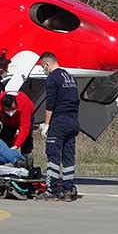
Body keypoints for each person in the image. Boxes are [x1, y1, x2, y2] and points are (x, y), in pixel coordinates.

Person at [37, 52, 80, 202]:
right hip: (73, 120)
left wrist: (47, 124)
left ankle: (52, 190)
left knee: (53, 155)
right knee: (68, 157)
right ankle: (68, 189)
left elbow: (50, 103)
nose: (44, 69)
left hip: (59, 121)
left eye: (43, 66)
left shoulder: (52, 78)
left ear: (48, 64)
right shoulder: (70, 77)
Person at [0, 91, 35, 156]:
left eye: (13, 109)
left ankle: (27, 159)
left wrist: (16, 146)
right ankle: (2, 158)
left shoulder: (25, 104)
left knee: (27, 141)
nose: (11, 113)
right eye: (8, 110)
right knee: (5, 140)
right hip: (7, 121)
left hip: (25, 117)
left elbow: (24, 128)